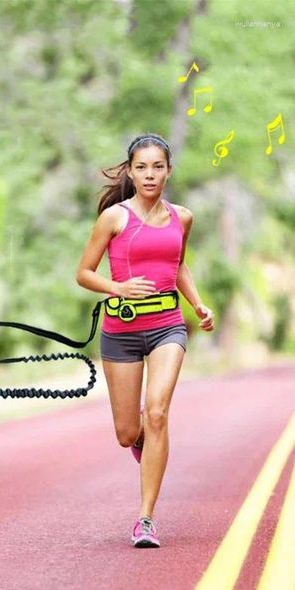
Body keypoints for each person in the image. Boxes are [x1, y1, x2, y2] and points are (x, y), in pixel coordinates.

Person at [75, 133, 214, 548]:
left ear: (169, 171)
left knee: (157, 414)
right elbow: (84, 272)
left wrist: (198, 304)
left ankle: (146, 519)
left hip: (168, 326)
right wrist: (117, 289)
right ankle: (139, 438)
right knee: (127, 431)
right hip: (121, 333)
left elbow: (177, 264)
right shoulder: (114, 218)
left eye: (158, 167)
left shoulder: (182, 217)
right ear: (131, 172)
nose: (150, 174)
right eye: (142, 167)